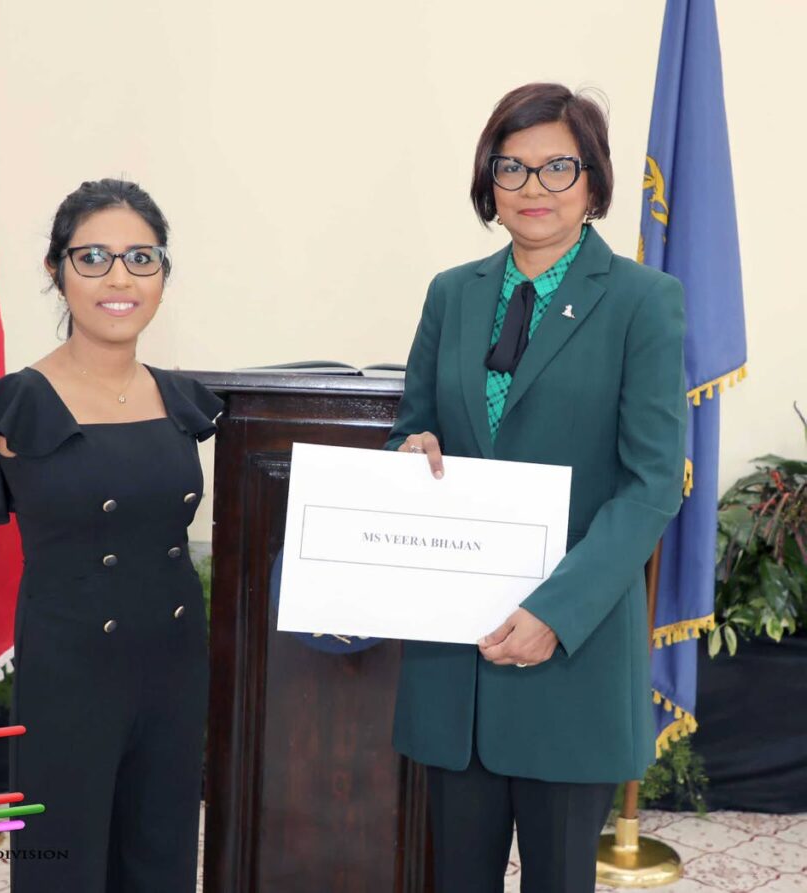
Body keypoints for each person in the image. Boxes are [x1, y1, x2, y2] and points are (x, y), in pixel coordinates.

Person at [385, 83, 687, 893]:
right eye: (511, 168)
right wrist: (411, 449)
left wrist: (555, 613)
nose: (533, 188)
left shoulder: (642, 303)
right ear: (489, 182)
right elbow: (410, 428)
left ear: (593, 180)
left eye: (558, 167)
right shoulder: (452, 293)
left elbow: (652, 482)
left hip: (570, 660)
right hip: (459, 666)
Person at [0, 179, 222, 891]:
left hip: (172, 660)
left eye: (142, 258)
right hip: (70, 666)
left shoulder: (180, 398)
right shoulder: (22, 404)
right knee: (64, 861)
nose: (119, 278)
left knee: (161, 854)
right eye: (95, 257)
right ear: (56, 269)